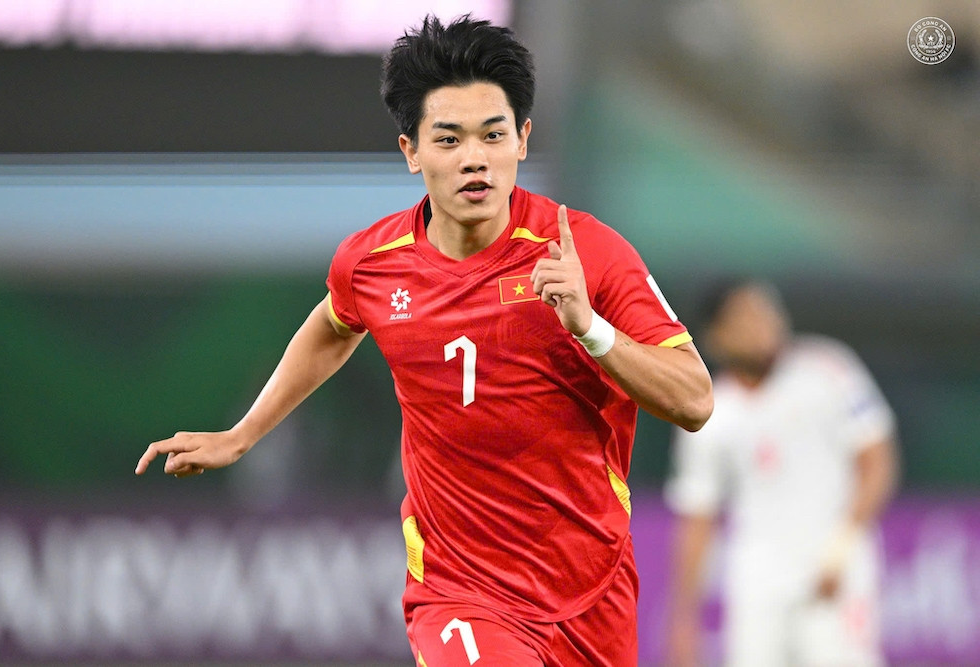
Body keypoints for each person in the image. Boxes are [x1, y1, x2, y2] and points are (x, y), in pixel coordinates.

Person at [135, 15, 713, 666]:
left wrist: (590, 328)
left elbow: (694, 400)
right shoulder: (373, 263)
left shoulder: (588, 254)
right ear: (412, 152)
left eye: (493, 134)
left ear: (522, 140)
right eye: (449, 139)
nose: (474, 158)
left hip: (592, 591)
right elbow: (333, 324)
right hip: (458, 591)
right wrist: (243, 434)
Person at [665, 279, 899, 667]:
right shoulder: (710, 411)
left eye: (766, 311)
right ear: (717, 337)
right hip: (758, 582)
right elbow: (698, 516)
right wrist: (684, 616)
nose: (763, 324)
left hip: (832, 569)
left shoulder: (828, 369)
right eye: (746, 317)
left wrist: (845, 540)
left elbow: (877, 460)